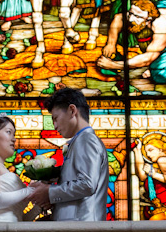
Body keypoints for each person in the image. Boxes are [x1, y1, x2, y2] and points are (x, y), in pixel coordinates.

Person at [29, 88, 108, 222]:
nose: (54, 125)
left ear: (72, 110)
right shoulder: (79, 140)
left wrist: (49, 192)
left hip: (82, 226)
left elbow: (87, 184)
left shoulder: (86, 139)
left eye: (56, 118)